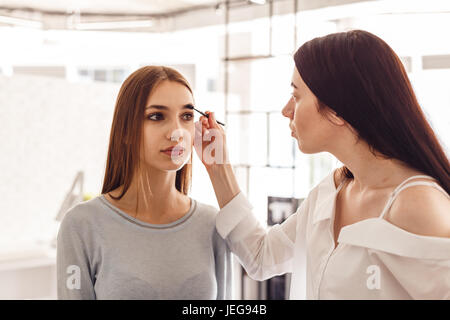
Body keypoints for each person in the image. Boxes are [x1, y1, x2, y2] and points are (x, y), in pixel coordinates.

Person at [195, 30, 450, 299]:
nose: (286, 110)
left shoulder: (417, 204)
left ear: (337, 110)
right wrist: (218, 166)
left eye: (296, 95)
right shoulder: (331, 191)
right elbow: (261, 256)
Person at [57, 66, 232, 300]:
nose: (176, 132)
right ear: (126, 131)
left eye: (187, 116)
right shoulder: (81, 225)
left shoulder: (213, 224)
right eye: (157, 116)